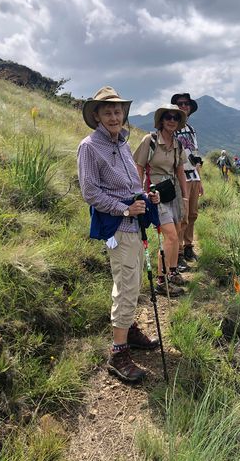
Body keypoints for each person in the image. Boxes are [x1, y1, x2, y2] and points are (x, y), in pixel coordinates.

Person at [77, 86, 160, 383]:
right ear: (96, 115)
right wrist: (124, 210)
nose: (114, 116)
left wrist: (145, 197)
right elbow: (90, 192)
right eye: (108, 111)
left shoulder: (123, 143)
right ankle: (118, 352)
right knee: (125, 286)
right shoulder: (89, 147)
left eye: (118, 111)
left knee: (134, 280)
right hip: (118, 227)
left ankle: (129, 329)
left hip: (135, 225)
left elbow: (130, 184)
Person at [133, 104, 188, 297]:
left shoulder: (178, 145)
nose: (172, 120)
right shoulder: (150, 140)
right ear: (161, 120)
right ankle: (161, 280)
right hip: (154, 195)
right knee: (171, 237)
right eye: (168, 117)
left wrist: (185, 197)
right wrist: (140, 193)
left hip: (172, 194)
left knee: (177, 233)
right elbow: (139, 167)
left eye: (175, 117)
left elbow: (180, 171)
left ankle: (172, 273)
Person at [171, 93, 203, 265]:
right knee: (181, 216)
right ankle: (179, 253)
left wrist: (200, 181)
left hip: (194, 177)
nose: (183, 106)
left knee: (192, 214)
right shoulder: (171, 128)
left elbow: (196, 156)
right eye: (180, 103)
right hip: (180, 177)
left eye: (186, 104)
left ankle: (189, 246)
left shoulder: (191, 130)